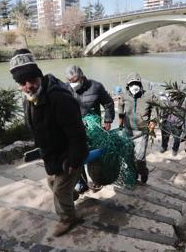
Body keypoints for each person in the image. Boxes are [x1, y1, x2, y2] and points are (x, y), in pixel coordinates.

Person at [9, 49, 88, 237]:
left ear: (39, 75)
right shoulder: (29, 99)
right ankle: (71, 195)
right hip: (51, 153)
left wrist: (74, 160)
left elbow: (77, 133)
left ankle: (68, 219)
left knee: (59, 190)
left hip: (68, 153)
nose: (28, 86)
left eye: (32, 80)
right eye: (22, 83)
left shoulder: (59, 97)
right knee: (52, 183)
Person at [65, 65, 115, 194]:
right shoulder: (65, 89)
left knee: (94, 155)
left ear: (82, 77)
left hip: (94, 128)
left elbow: (108, 103)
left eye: (75, 80)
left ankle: (97, 178)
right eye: (70, 81)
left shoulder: (96, 86)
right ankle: (82, 183)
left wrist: (108, 120)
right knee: (77, 156)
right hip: (75, 129)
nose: (73, 84)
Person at [118, 73, 155, 184]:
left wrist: (153, 120)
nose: (135, 86)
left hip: (142, 131)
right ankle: (133, 176)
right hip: (128, 130)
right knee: (128, 155)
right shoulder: (124, 97)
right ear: (127, 86)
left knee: (139, 158)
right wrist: (120, 125)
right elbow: (120, 110)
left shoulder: (148, 96)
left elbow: (156, 107)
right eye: (132, 84)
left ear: (140, 84)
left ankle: (143, 172)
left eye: (137, 83)